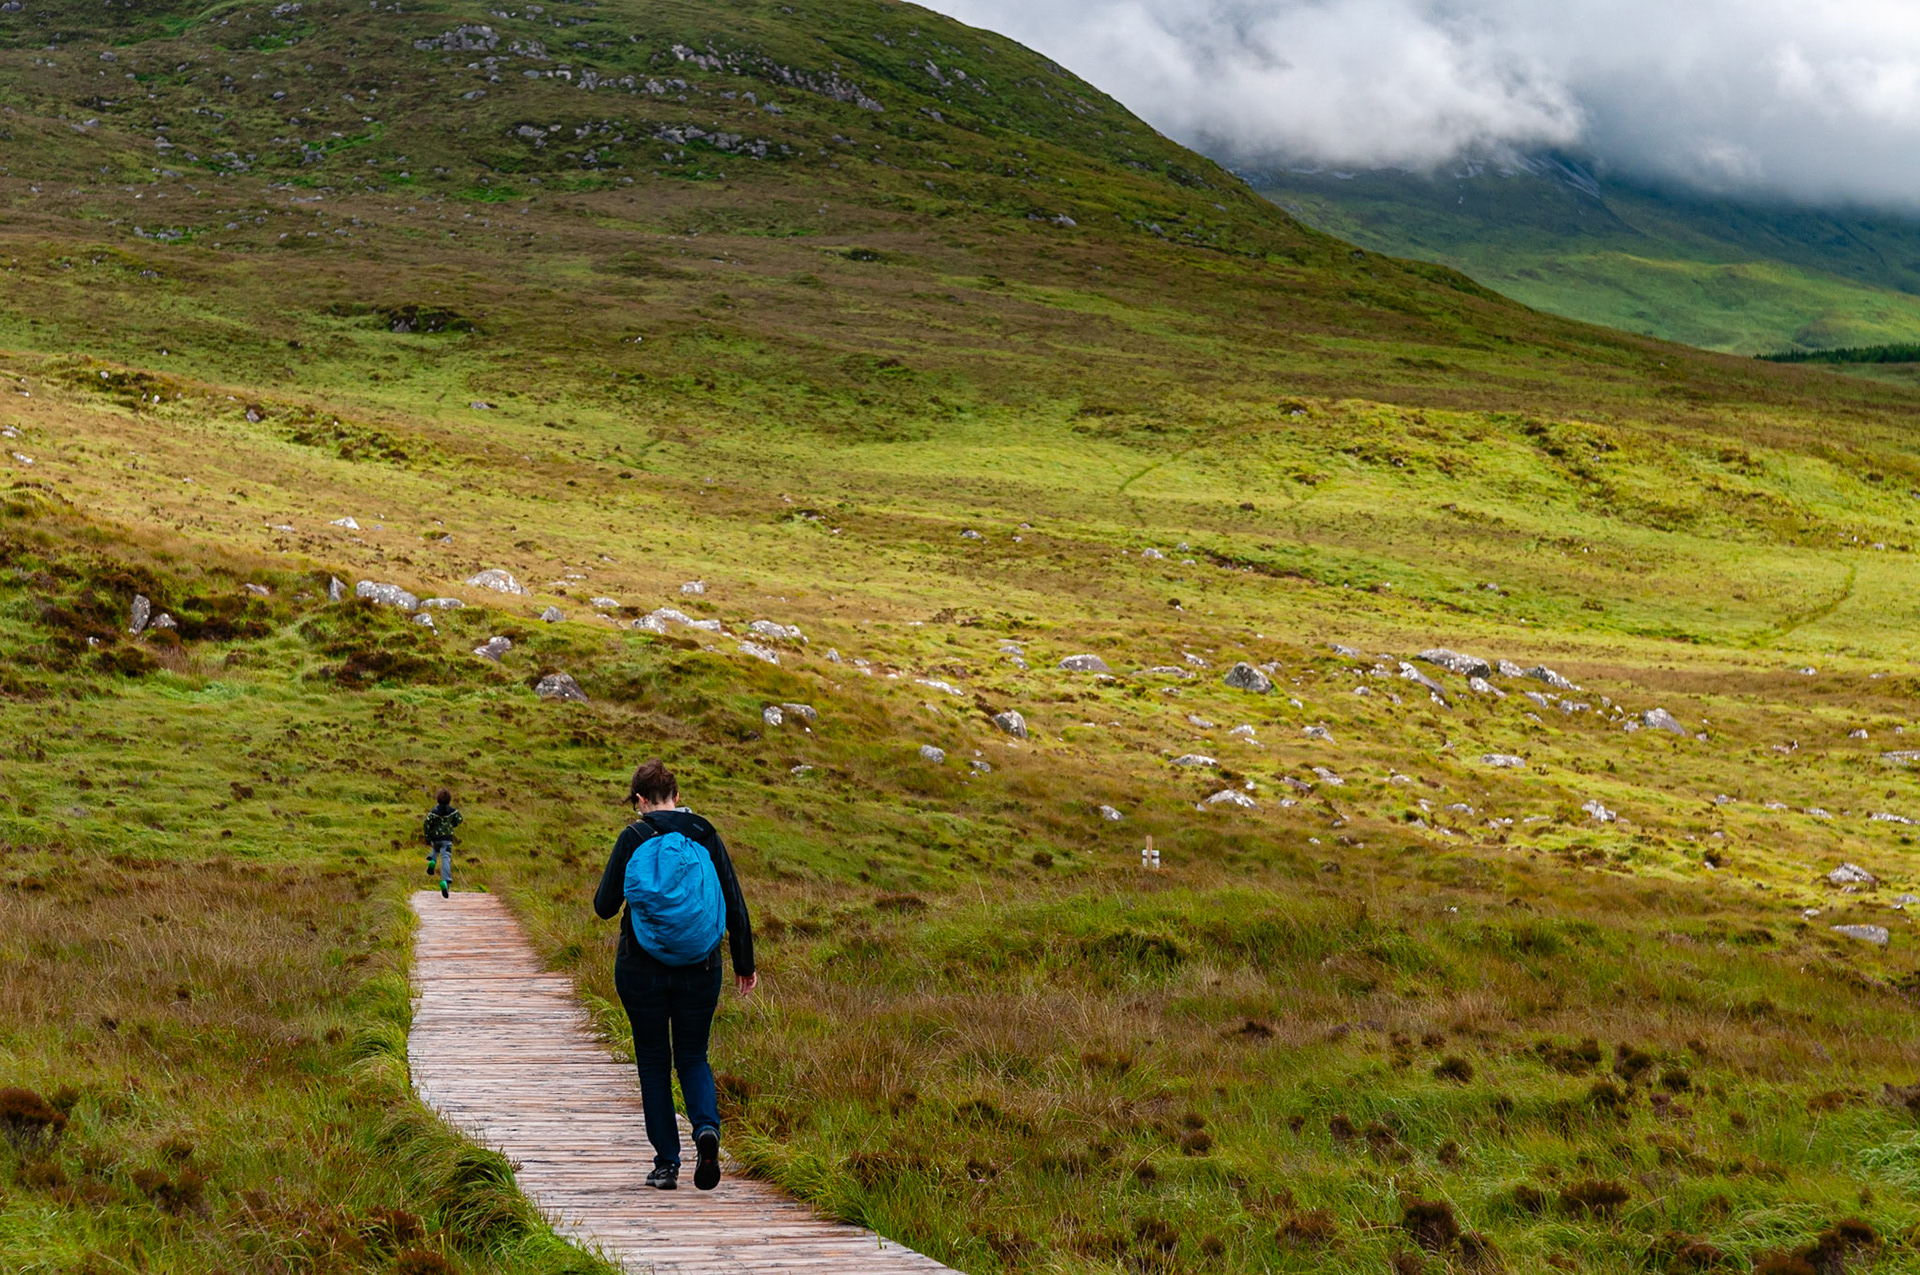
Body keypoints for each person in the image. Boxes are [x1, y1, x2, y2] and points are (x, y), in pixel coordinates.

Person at [594, 759, 756, 1191]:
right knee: (692, 1056)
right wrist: (744, 963)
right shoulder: (704, 833)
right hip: (701, 968)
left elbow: (604, 906)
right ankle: (706, 1129)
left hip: (640, 969)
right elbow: (734, 901)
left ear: (640, 800)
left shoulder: (633, 837)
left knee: (653, 1063)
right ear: (677, 796)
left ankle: (667, 1164)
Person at [422, 788, 463, 899]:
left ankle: (432, 860)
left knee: (435, 849)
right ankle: (445, 881)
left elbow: (426, 823)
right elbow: (459, 819)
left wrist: (428, 838)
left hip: (436, 838)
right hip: (447, 839)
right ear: (449, 800)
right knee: (446, 858)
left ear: (438, 799)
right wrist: (452, 824)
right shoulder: (453, 811)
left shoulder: (433, 812)